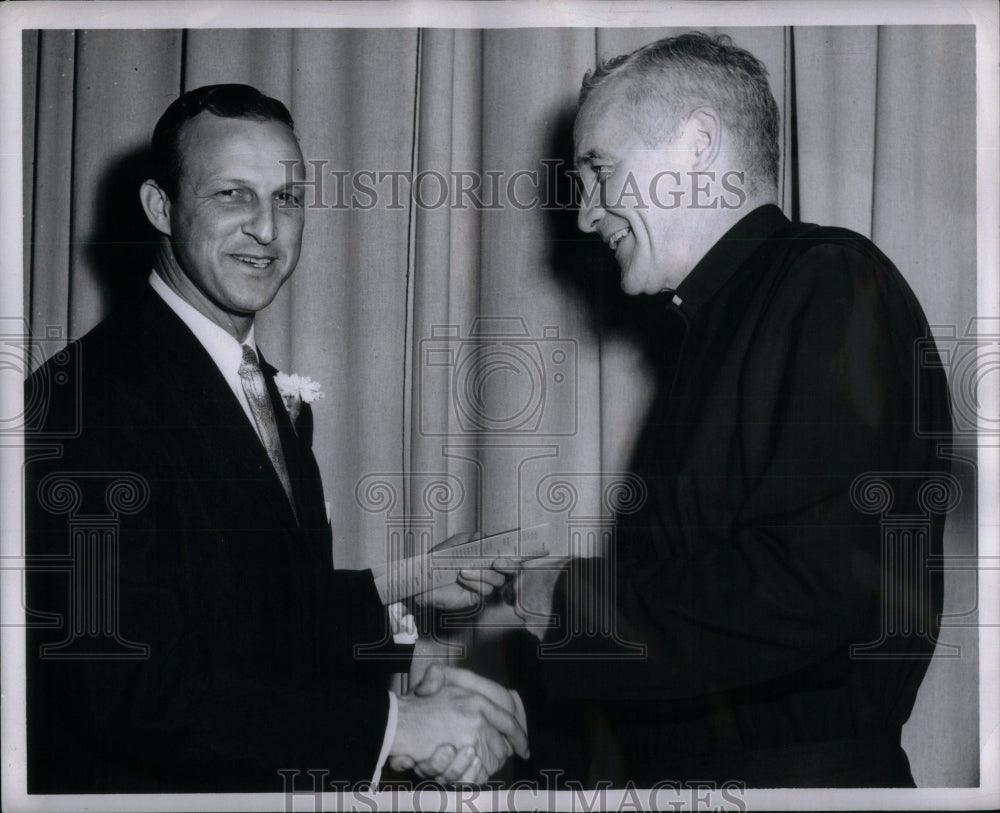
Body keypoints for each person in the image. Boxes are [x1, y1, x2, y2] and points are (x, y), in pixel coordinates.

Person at [24, 84, 525, 793]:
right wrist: (394, 729)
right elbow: (124, 686)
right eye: (232, 194)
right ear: (160, 206)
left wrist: (398, 600)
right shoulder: (85, 399)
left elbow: (250, 614)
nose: (267, 228)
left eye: (288, 198)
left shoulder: (259, 384)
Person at [494, 32, 954, 787]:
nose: (584, 217)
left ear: (697, 144)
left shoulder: (830, 281)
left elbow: (811, 588)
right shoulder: (727, 320)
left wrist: (571, 600)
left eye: (599, 170)